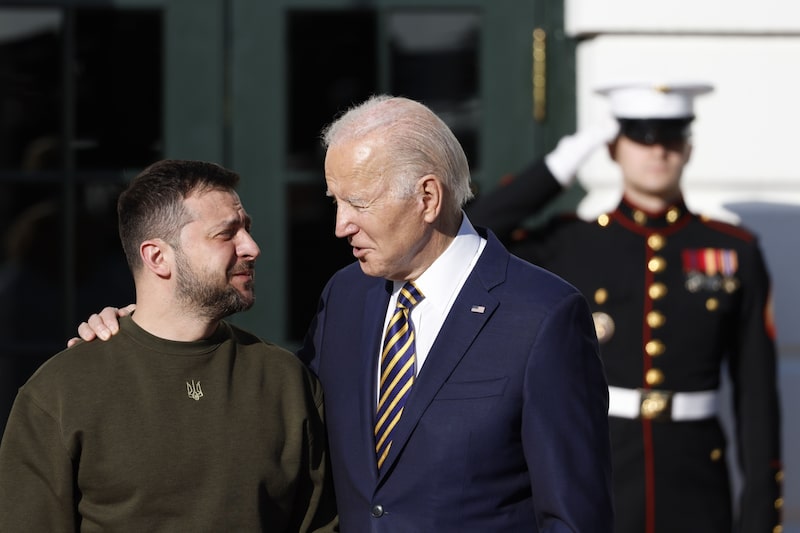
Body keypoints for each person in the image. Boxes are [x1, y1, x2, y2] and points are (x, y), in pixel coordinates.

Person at [70, 96, 614, 532]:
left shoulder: (541, 315)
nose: (340, 225)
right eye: (336, 201)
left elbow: (574, 517)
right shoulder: (347, 295)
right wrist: (147, 337)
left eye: (359, 202)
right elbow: (277, 418)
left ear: (427, 198)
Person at [468, 81, 783, 533]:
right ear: (615, 149)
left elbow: (757, 398)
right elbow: (476, 234)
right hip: (600, 467)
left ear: (688, 149)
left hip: (695, 482)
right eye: (641, 137)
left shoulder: (733, 250)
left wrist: (760, 517)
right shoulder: (573, 242)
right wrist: (560, 166)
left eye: (671, 138)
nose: (658, 152)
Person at [0, 160, 337, 532]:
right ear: (158, 257)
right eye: (226, 234)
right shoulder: (61, 392)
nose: (252, 247)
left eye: (247, 229)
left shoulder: (285, 380)